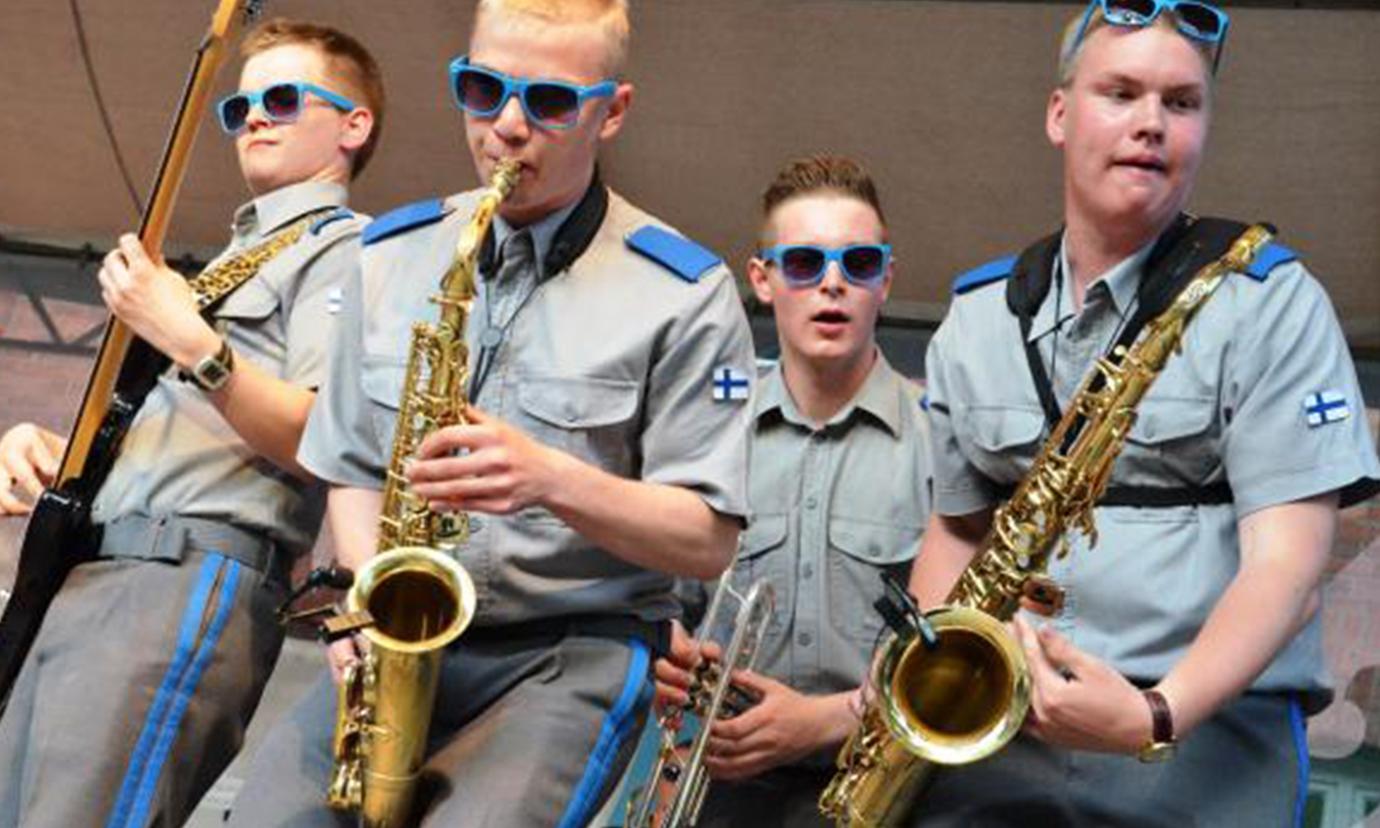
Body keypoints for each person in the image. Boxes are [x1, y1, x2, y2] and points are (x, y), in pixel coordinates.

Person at [225, 1, 755, 826]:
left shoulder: (685, 293)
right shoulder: (389, 253)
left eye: (548, 101)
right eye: (482, 89)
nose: (506, 126)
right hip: (403, 636)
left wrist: (549, 478)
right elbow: (353, 465)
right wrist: (370, 598)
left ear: (612, 111)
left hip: (568, 654)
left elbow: (708, 537)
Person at [910, 1, 1380, 825]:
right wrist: (925, 687)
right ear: (1060, 114)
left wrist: (1155, 715)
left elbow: (1288, 567)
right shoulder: (978, 315)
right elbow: (956, 530)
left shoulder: (1272, 304)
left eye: (1182, 102)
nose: (1151, 123)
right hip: (1002, 731)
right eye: (1121, 93)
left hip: (1203, 737)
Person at [0, 19, 381, 828]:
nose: (255, 118)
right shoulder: (241, 256)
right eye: (240, 107)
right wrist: (60, 454)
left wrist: (189, 338)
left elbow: (330, 436)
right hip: (97, 569)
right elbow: (184, 435)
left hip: (185, 576)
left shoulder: (350, 251)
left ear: (354, 125)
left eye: (284, 98)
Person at [652, 155, 931, 826]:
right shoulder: (709, 436)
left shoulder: (939, 439)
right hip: (721, 781)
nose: (832, 284)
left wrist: (826, 720)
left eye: (858, 264)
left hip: (889, 782)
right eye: (804, 264)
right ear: (762, 279)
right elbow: (658, 602)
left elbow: (964, 642)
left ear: (886, 280)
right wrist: (663, 653)